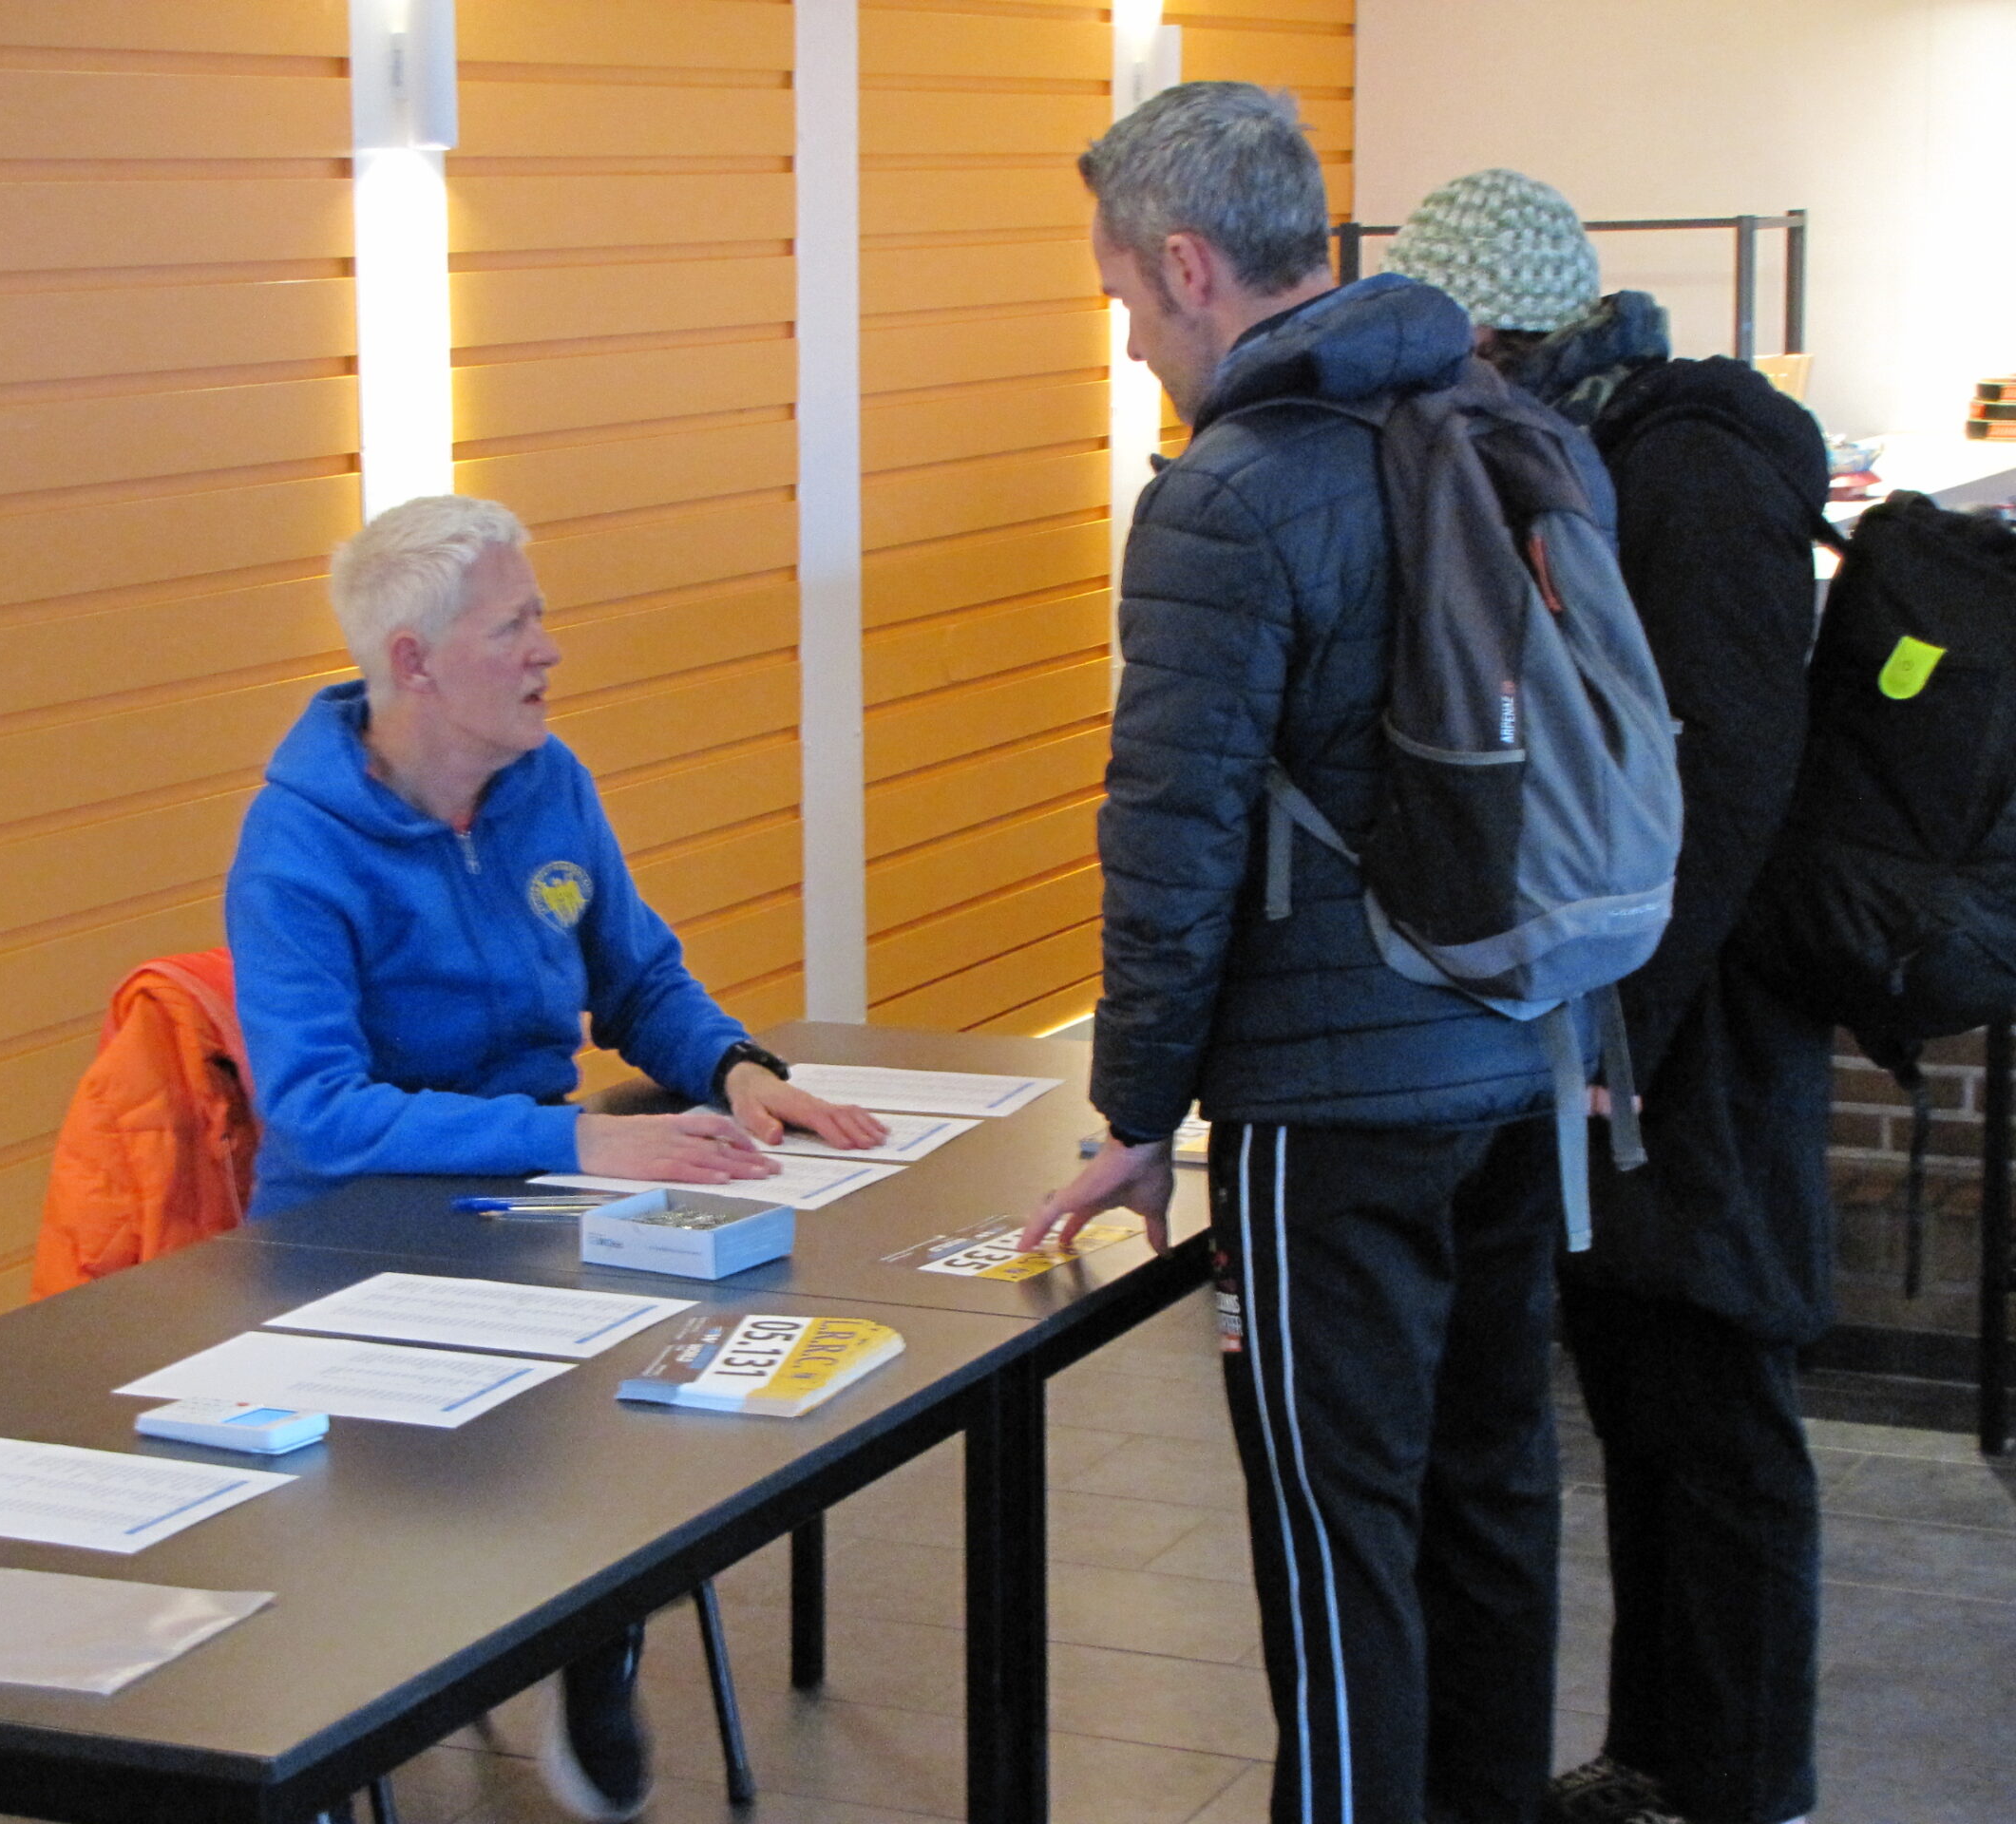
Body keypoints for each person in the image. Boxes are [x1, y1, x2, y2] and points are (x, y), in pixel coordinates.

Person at [1024, 86, 1581, 1824]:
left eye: (1122, 301)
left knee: (1335, 1542)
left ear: (1188, 266)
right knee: (1489, 1499)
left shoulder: (1231, 494)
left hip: (1334, 1105)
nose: (1128, 347)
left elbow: (1172, 837)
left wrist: (1134, 1107)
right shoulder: (1490, 420)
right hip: (1522, 1041)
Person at [226, 493, 885, 1821]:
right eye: (516, 625)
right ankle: (483, 1641)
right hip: (349, 1243)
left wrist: (740, 1069)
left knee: (681, 1371)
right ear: (414, 662)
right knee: (494, 1447)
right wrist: (580, 1133)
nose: (549, 651)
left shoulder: (550, 785)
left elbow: (636, 976)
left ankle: (594, 1635)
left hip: (535, 1197)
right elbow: (322, 1110)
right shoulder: (294, 847)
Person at [1388, 170, 1832, 1824]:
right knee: (1651, 1398)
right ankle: (1666, 1758)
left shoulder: (1693, 468)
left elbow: (1723, 788)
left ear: (1497, 330)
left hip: (1698, 1038)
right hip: (1656, 1026)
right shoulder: (1612, 446)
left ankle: (1739, 1779)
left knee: (1716, 1415)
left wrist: (1616, 1034)